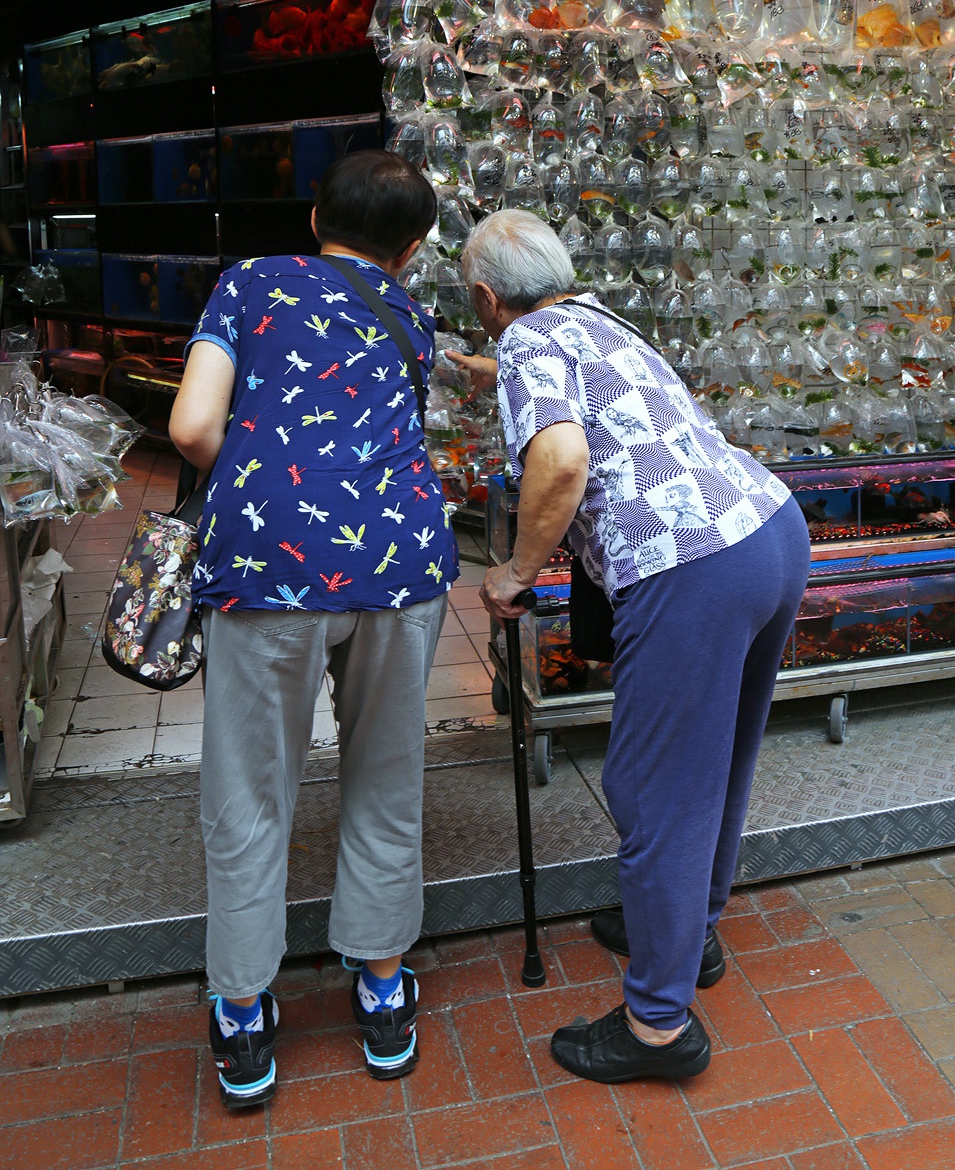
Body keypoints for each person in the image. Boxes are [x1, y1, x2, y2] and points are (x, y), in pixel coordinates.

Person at [455, 209, 810, 1085]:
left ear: (486, 298)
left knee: (653, 789)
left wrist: (513, 572)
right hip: (766, 527)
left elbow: (564, 460)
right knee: (717, 760)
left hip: (688, 563)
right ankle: (694, 931)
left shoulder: (529, 340)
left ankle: (658, 1023)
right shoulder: (601, 320)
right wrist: (481, 368)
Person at [169, 150, 459, 1107]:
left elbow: (189, 426)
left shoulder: (247, 283)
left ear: (312, 217)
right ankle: (381, 991)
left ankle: (244, 1016)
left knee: (250, 790)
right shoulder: (411, 314)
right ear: (412, 251)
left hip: (267, 564)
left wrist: (257, 494)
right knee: (385, 773)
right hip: (400, 561)